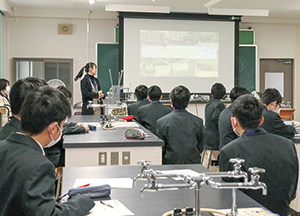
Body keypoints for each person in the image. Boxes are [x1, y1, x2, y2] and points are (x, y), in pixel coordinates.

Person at [0, 86, 94, 215]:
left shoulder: (3, 147)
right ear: (53, 129)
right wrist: (83, 200)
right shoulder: (40, 166)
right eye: (62, 126)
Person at [219, 94, 298, 216]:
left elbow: (228, 198)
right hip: (282, 210)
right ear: (261, 120)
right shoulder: (288, 145)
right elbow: (292, 191)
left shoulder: (229, 151)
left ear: (234, 122)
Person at [156, 85, 204, 164]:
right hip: (193, 164)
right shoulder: (198, 121)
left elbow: (161, 149)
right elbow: (200, 147)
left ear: (171, 101)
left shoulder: (161, 122)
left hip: (170, 164)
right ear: (188, 101)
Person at [44, 85, 90, 167]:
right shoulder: (52, 111)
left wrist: (74, 125)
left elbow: (62, 126)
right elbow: (60, 130)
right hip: (52, 153)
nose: (68, 103)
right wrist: (80, 129)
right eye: (67, 101)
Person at [204, 83, 226, 150]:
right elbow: (216, 118)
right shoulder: (220, 105)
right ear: (223, 94)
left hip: (207, 136)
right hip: (215, 137)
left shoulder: (208, 104)